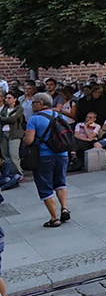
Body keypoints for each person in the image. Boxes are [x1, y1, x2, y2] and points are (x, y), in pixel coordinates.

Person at [22, 93, 70, 228]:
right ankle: (64, 208)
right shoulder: (61, 116)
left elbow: (29, 140)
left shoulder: (34, 119)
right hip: (62, 154)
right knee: (60, 182)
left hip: (44, 156)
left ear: (41, 104)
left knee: (45, 186)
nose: (32, 105)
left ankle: (54, 218)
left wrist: (25, 138)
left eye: (34, 102)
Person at [0, 93, 25, 176]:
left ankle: (19, 173)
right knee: (5, 155)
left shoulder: (19, 108)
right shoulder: (5, 109)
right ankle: (10, 172)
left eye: (9, 98)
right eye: (6, 98)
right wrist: (6, 119)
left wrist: (5, 119)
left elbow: (13, 118)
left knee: (13, 154)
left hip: (14, 133)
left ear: (15, 99)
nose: (7, 100)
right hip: (3, 132)